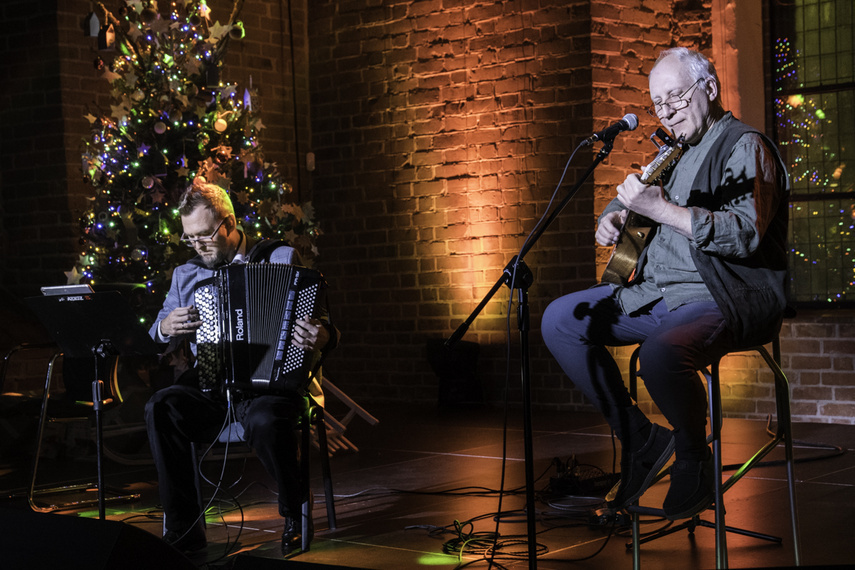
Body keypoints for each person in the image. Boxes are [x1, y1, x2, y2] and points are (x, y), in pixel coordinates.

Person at [541, 47, 789, 520]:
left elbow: (745, 233)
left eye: (676, 97)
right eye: (659, 104)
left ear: (710, 89)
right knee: (560, 320)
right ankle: (640, 440)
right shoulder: (671, 152)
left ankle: (694, 455)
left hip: (724, 295)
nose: (668, 112)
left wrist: (664, 211)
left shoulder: (744, 146)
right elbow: (636, 205)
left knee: (660, 352)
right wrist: (611, 219)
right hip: (656, 294)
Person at [144, 181, 338, 556]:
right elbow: (157, 331)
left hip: (276, 388)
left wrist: (320, 335)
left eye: (204, 236)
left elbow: (324, 325)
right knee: (161, 407)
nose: (197, 246)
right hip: (217, 391)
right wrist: (167, 328)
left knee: (265, 419)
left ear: (229, 224)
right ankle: (184, 527)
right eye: (190, 239)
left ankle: (294, 509)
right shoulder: (187, 275)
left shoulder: (279, 257)